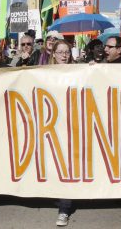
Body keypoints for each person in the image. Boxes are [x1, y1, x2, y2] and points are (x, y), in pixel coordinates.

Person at [46, 39, 75, 226]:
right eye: (60, 52)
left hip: (72, 126)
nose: (64, 55)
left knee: (67, 166)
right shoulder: (45, 73)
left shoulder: (79, 71)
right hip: (52, 125)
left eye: (67, 52)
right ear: (53, 54)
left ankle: (64, 209)